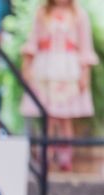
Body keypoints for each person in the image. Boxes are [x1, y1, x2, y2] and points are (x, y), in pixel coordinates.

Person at [21, 0, 99, 172]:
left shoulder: (78, 14)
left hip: (68, 70)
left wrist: (85, 73)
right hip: (46, 69)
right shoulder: (42, 12)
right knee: (47, 118)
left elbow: (85, 45)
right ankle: (45, 156)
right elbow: (33, 40)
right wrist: (27, 65)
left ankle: (65, 157)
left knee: (65, 118)